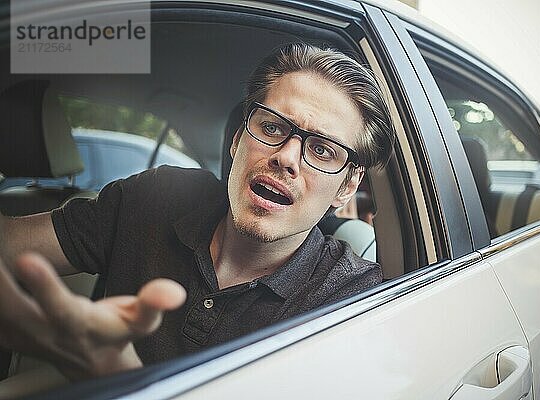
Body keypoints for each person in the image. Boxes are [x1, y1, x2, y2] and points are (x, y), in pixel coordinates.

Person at [0, 43, 395, 380]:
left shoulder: (353, 304)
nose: (287, 158)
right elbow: (12, 244)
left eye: (322, 149)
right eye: (273, 127)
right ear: (238, 140)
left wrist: (119, 381)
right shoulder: (157, 197)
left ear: (346, 187)